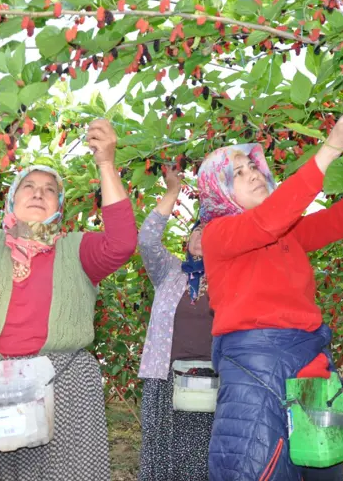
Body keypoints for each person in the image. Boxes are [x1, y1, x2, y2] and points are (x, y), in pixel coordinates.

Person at [197, 108, 343, 481]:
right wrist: (331, 148)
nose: (253, 174)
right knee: (261, 470)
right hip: (257, 368)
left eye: (253, 168)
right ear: (217, 190)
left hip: (310, 366)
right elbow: (271, 218)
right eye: (238, 173)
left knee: (325, 467)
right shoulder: (218, 234)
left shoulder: (287, 233)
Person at [0, 119, 137, 481]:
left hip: (64, 385)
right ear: (12, 198)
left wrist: (106, 163)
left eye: (50, 190)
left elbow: (121, 243)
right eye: (28, 186)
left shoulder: (77, 249)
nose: (39, 193)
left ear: (61, 204)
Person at [137, 164, 214, 481]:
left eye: (211, 232)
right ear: (187, 238)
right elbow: (147, 241)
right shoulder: (170, 271)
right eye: (198, 229)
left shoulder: (230, 277)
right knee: (163, 455)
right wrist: (172, 192)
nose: (201, 235)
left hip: (213, 379)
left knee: (204, 455)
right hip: (165, 377)